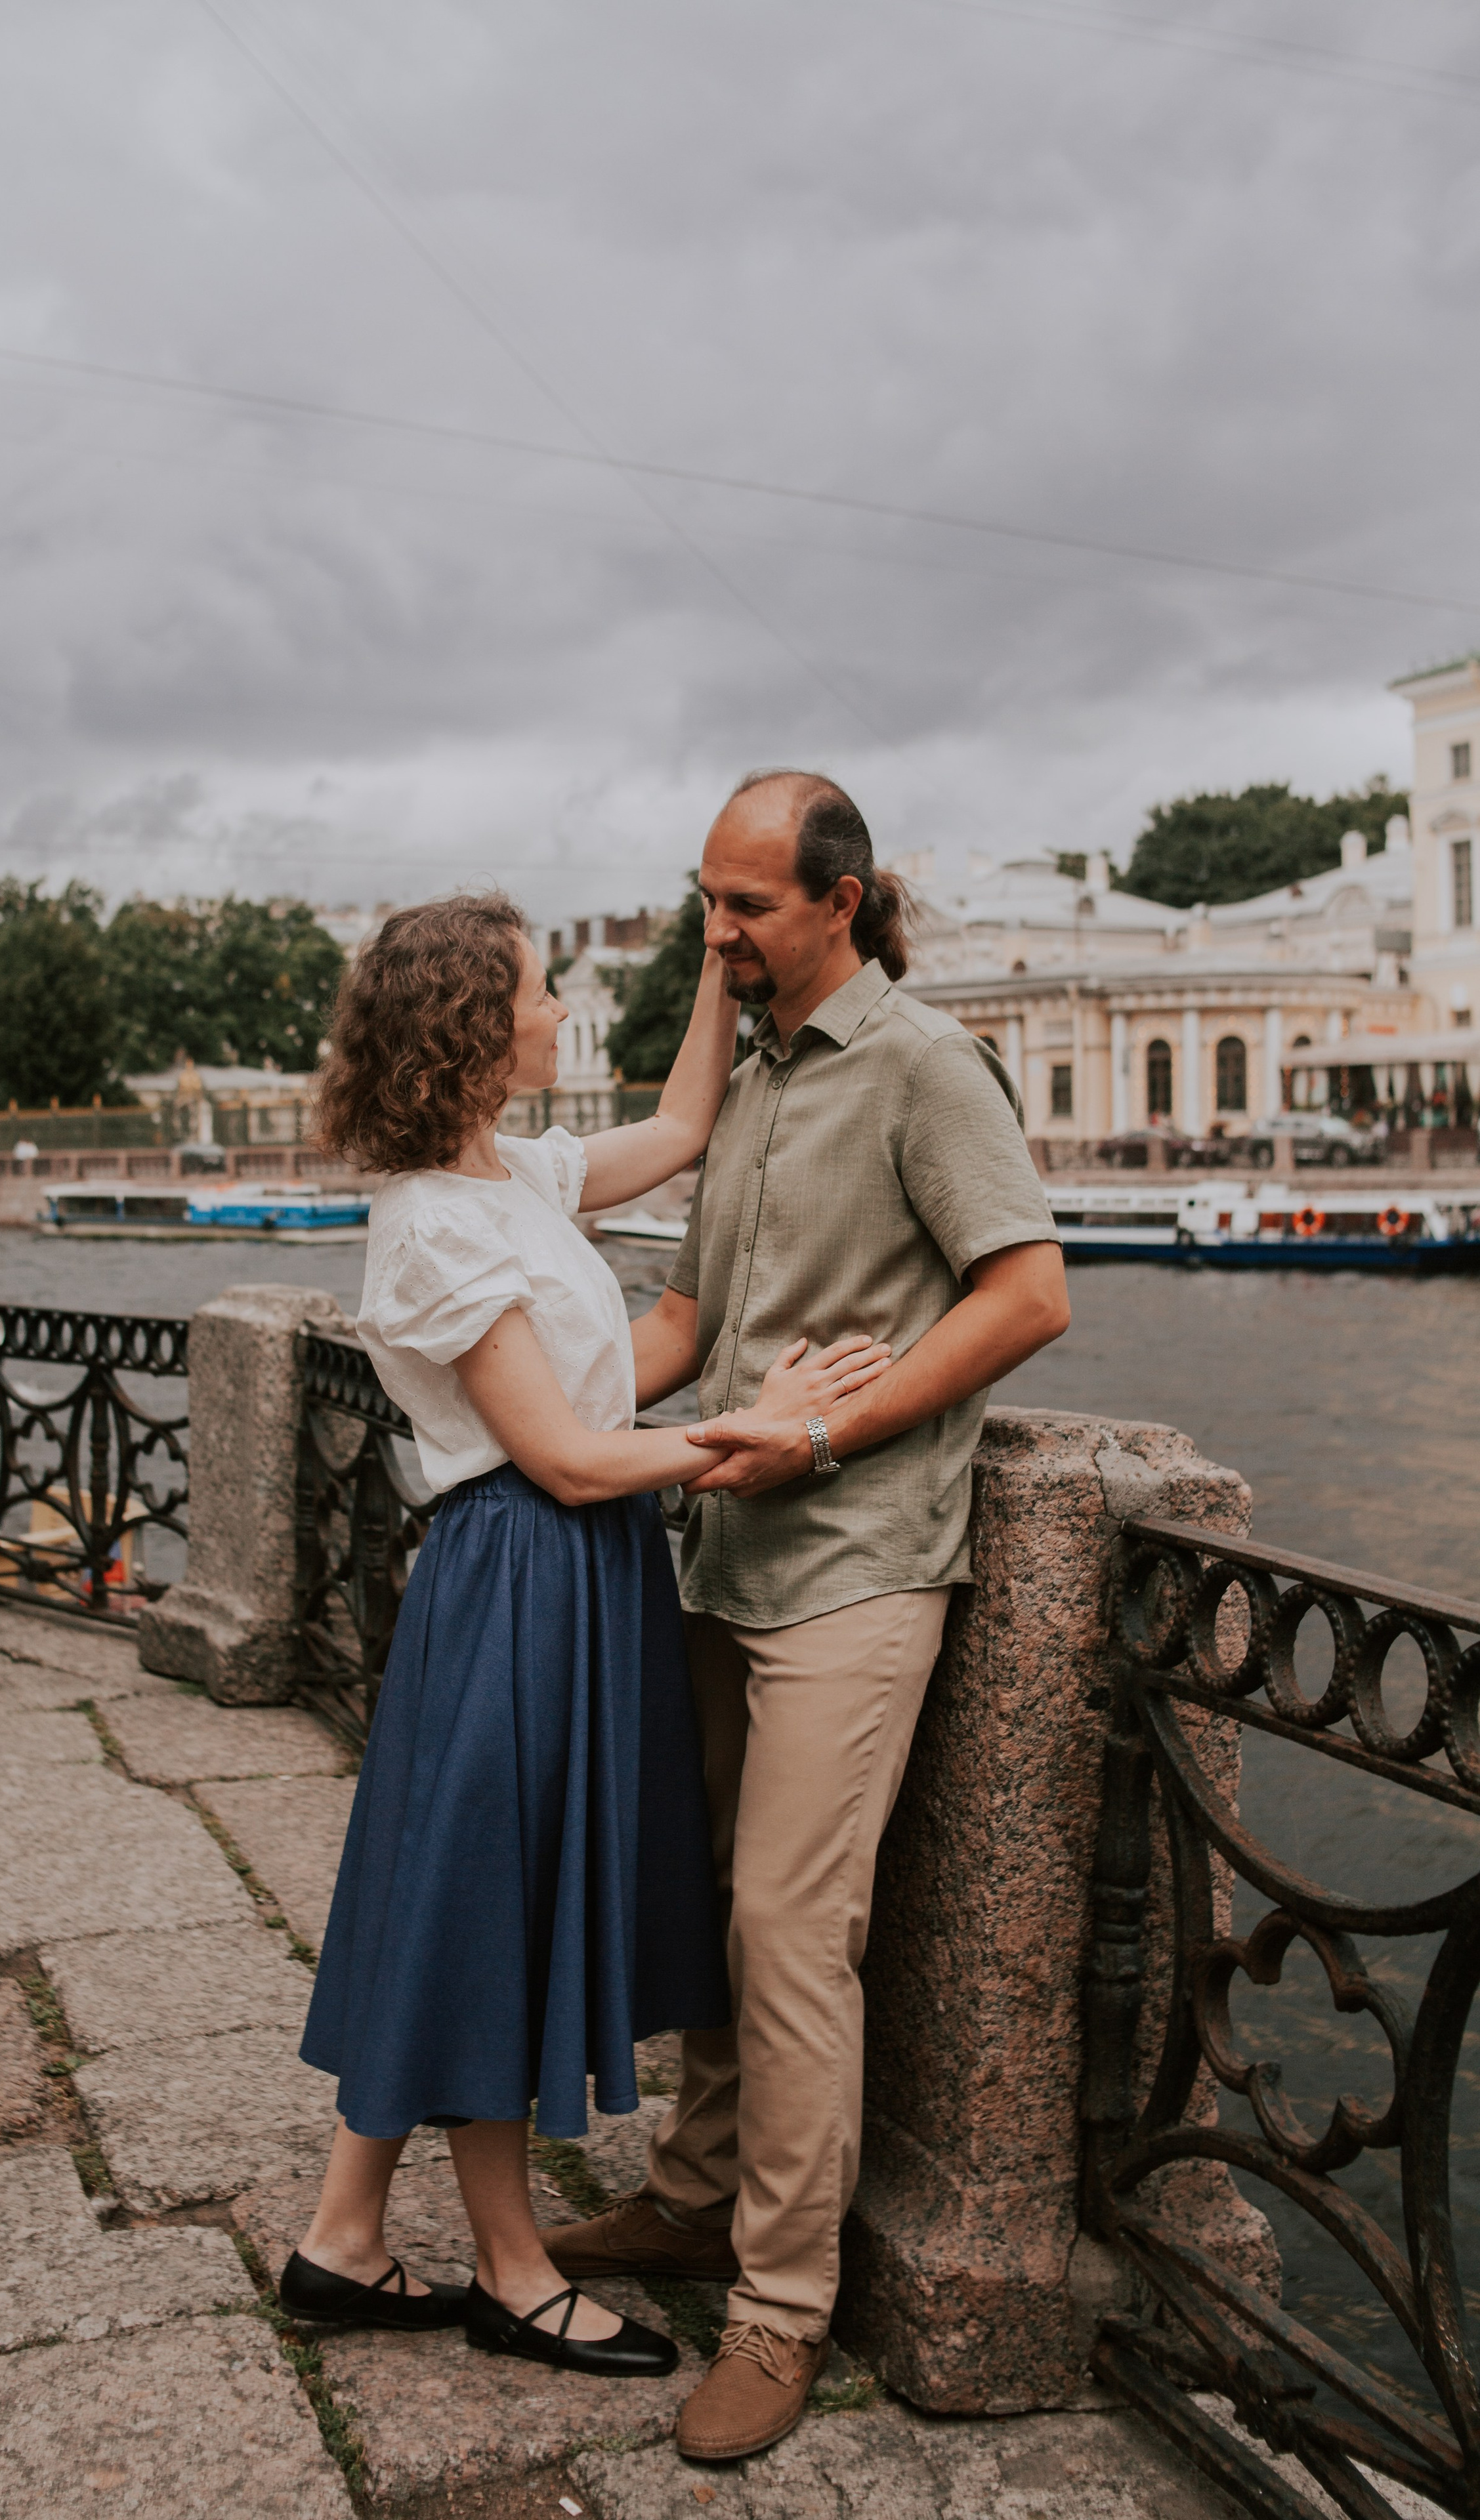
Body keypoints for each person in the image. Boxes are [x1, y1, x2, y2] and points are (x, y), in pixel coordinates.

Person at [285, 892, 894, 2382]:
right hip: (523, 1568)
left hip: (562, 1573)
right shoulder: (434, 1225)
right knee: (494, 1905)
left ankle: (340, 2241)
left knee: (459, 1892)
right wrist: (763, 1431)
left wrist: (714, 959)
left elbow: (684, 1125)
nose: (562, 1011)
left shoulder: (510, 1177)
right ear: (475, 1029)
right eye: (542, 991)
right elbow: (560, 1456)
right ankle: (511, 2272)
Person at [544, 771, 1070, 2462]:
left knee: (785, 1924)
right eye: (706, 900)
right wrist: (524, 1407)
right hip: (716, 1551)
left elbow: (1030, 1294)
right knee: (702, 1890)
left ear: (840, 900)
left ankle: (780, 2308)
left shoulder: (925, 1067)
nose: (716, 934)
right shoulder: (757, 1076)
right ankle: (694, 2200)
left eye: (746, 907)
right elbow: (691, 1315)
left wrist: (831, 1430)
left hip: (854, 1557)